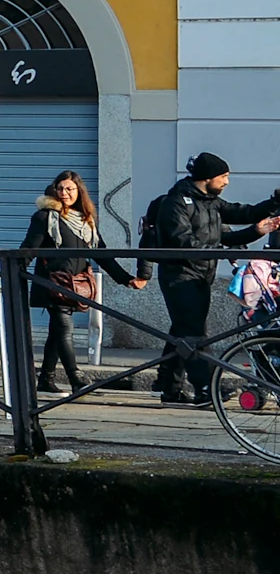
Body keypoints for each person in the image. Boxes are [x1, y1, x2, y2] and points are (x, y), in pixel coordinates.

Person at [136, 152, 279, 404]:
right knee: (194, 334)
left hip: (202, 275)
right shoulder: (176, 203)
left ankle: (168, 387)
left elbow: (242, 213)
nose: (227, 182)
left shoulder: (211, 202)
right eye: (223, 176)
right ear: (207, 177)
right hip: (180, 275)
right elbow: (184, 243)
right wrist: (224, 248)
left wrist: (270, 209)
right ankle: (206, 389)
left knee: (182, 329)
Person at [19, 169, 138, 395]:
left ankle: (46, 380)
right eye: (60, 188)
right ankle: (76, 378)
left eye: (69, 189)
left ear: (79, 191)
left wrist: (125, 279)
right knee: (65, 328)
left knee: (57, 332)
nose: (64, 193)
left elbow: (101, 255)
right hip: (52, 283)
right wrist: (14, 274)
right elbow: (28, 249)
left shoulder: (86, 221)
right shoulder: (45, 217)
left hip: (76, 286)